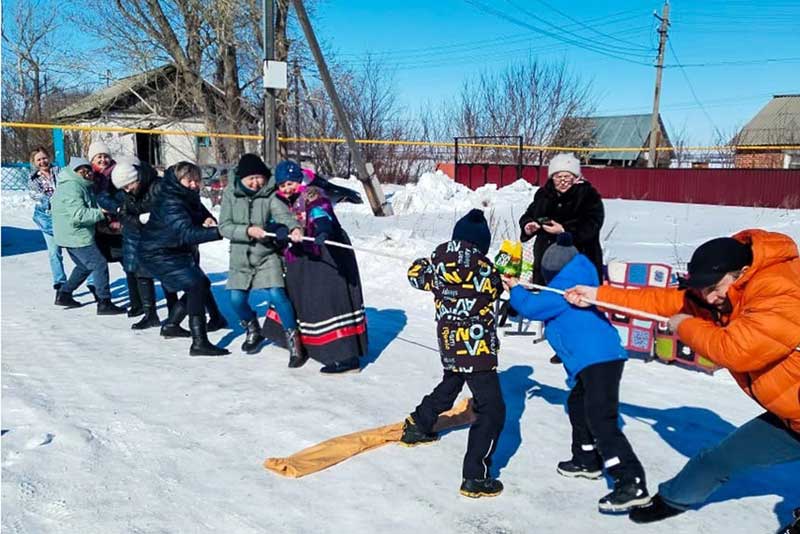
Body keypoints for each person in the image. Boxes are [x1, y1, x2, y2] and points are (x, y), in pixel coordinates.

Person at [565, 230, 800, 524]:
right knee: (717, 460)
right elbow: (663, 301)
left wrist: (685, 326)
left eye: (714, 287)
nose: (709, 297)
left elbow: (737, 350)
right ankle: (674, 499)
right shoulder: (726, 294)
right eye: (703, 289)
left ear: (740, 273)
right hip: (789, 419)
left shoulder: (780, 289)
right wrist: (597, 295)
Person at [503, 232, 650, 513]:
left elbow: (532, 307)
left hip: (598, 361)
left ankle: (630, 482)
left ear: (553, 271)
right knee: (577, 404)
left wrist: (515, 288)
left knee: (601, 419)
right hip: (597, 360)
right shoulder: (576, 281)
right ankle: (586, 460)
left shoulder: (566, 289)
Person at [401, 209, 506, 498]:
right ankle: (475, 476)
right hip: (477, 347)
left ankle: (418, 424)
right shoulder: (485, 269)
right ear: (481, 244)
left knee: (451, 384)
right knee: (493, 409)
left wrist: (427, 263)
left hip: (449, 343)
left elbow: (414, 274)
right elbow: (496, 290)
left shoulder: (437, 264)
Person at [264, 159, 368, 373]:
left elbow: (320, 212)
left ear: (298, 179)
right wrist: (278, 230)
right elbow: (274, 220)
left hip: (326, 251)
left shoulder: (312, 193)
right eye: (282, 185)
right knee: (303, 298)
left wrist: (322, 229)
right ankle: (309, 344)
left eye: (290, 183)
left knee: (327, 300)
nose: (286, 188)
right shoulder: (280, 201)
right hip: (300, 255)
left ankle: (346, 357)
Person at [519, 152, 604, 364]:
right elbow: (529, 214)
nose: (563, 182)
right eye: (558, 177)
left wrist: (564, 229)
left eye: (567, 177)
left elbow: (592, 225)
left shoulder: (588, 195)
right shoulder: (543, 194)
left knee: (577, 304)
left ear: (576, 177)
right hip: (547, 261)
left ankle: (582, 347)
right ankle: (560, 343)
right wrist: (529, 226)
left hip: (577, 261)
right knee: (554, 302)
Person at [138, 161, 228, 356]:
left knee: (200, 284)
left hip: (172, 249)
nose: (195, 184)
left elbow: (196, 209)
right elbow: (187, 234)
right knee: (196, 285)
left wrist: (206, 217)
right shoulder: (171, 201)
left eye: (197, 180)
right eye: (190, 180)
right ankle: (199, 342)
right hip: (157, 253)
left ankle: (171, 325)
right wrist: (219, 232)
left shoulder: (185, 194)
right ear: (179, 180)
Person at [218, 154, 303, 356]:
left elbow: (284, 216)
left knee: (276, 293)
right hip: (240, 256)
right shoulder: (231, 194)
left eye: (259, 178)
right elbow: (224, 227)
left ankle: (294, 339)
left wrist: (295, 228)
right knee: (236, 300)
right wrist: (247, 230)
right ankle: (252, 327)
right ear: (242, 179)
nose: (256, 183)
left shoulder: (269, 194)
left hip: (266, 254)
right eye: (251, 179)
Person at [50, 157, 126, 315]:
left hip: (69, 234)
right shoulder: (73, 187)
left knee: (84, 266)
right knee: (98, 264)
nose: (87, 174)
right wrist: (101, 213)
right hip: (76, 235)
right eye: (83, 171)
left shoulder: (78, 185)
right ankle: (104, 302)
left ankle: (64, 294)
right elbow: (78, 215)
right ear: (75, 172)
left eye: (88, 170)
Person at [111, 158, 178, 330]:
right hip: (143, 236)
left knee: (166, 276)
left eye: (128, 186)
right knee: (142, 274)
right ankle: (150, 315)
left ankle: (174, 313)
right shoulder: (129, 193)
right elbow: (124, 215)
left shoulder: (158, 186)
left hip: (164, 237)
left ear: (137, 178)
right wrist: (139, 219)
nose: (127, 190)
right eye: (124, 188)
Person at [88, 141, 139, 313]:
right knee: (98, 261)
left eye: (105, 156)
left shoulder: (117, 173)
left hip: (116, 224)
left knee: (127, 260)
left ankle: (136, 299)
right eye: (98, 157)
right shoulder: (88, 176)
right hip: (97, 224)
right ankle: (98, 292)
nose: (103, 160)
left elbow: (118, 198)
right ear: (92, 160)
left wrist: (115, 211)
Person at [28, 146, 69, 296]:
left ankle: (92, 283)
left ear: (49, 157)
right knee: (54, 252)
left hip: (65, 216)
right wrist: (54, 200)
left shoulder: (61, 171)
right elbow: (37, 196)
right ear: (34, 162)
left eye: (44, 158)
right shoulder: (33, 178)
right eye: (39, 159)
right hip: (47, 218)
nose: (42, 162)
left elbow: (69, 188)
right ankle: (60, 283)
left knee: (77, 250)